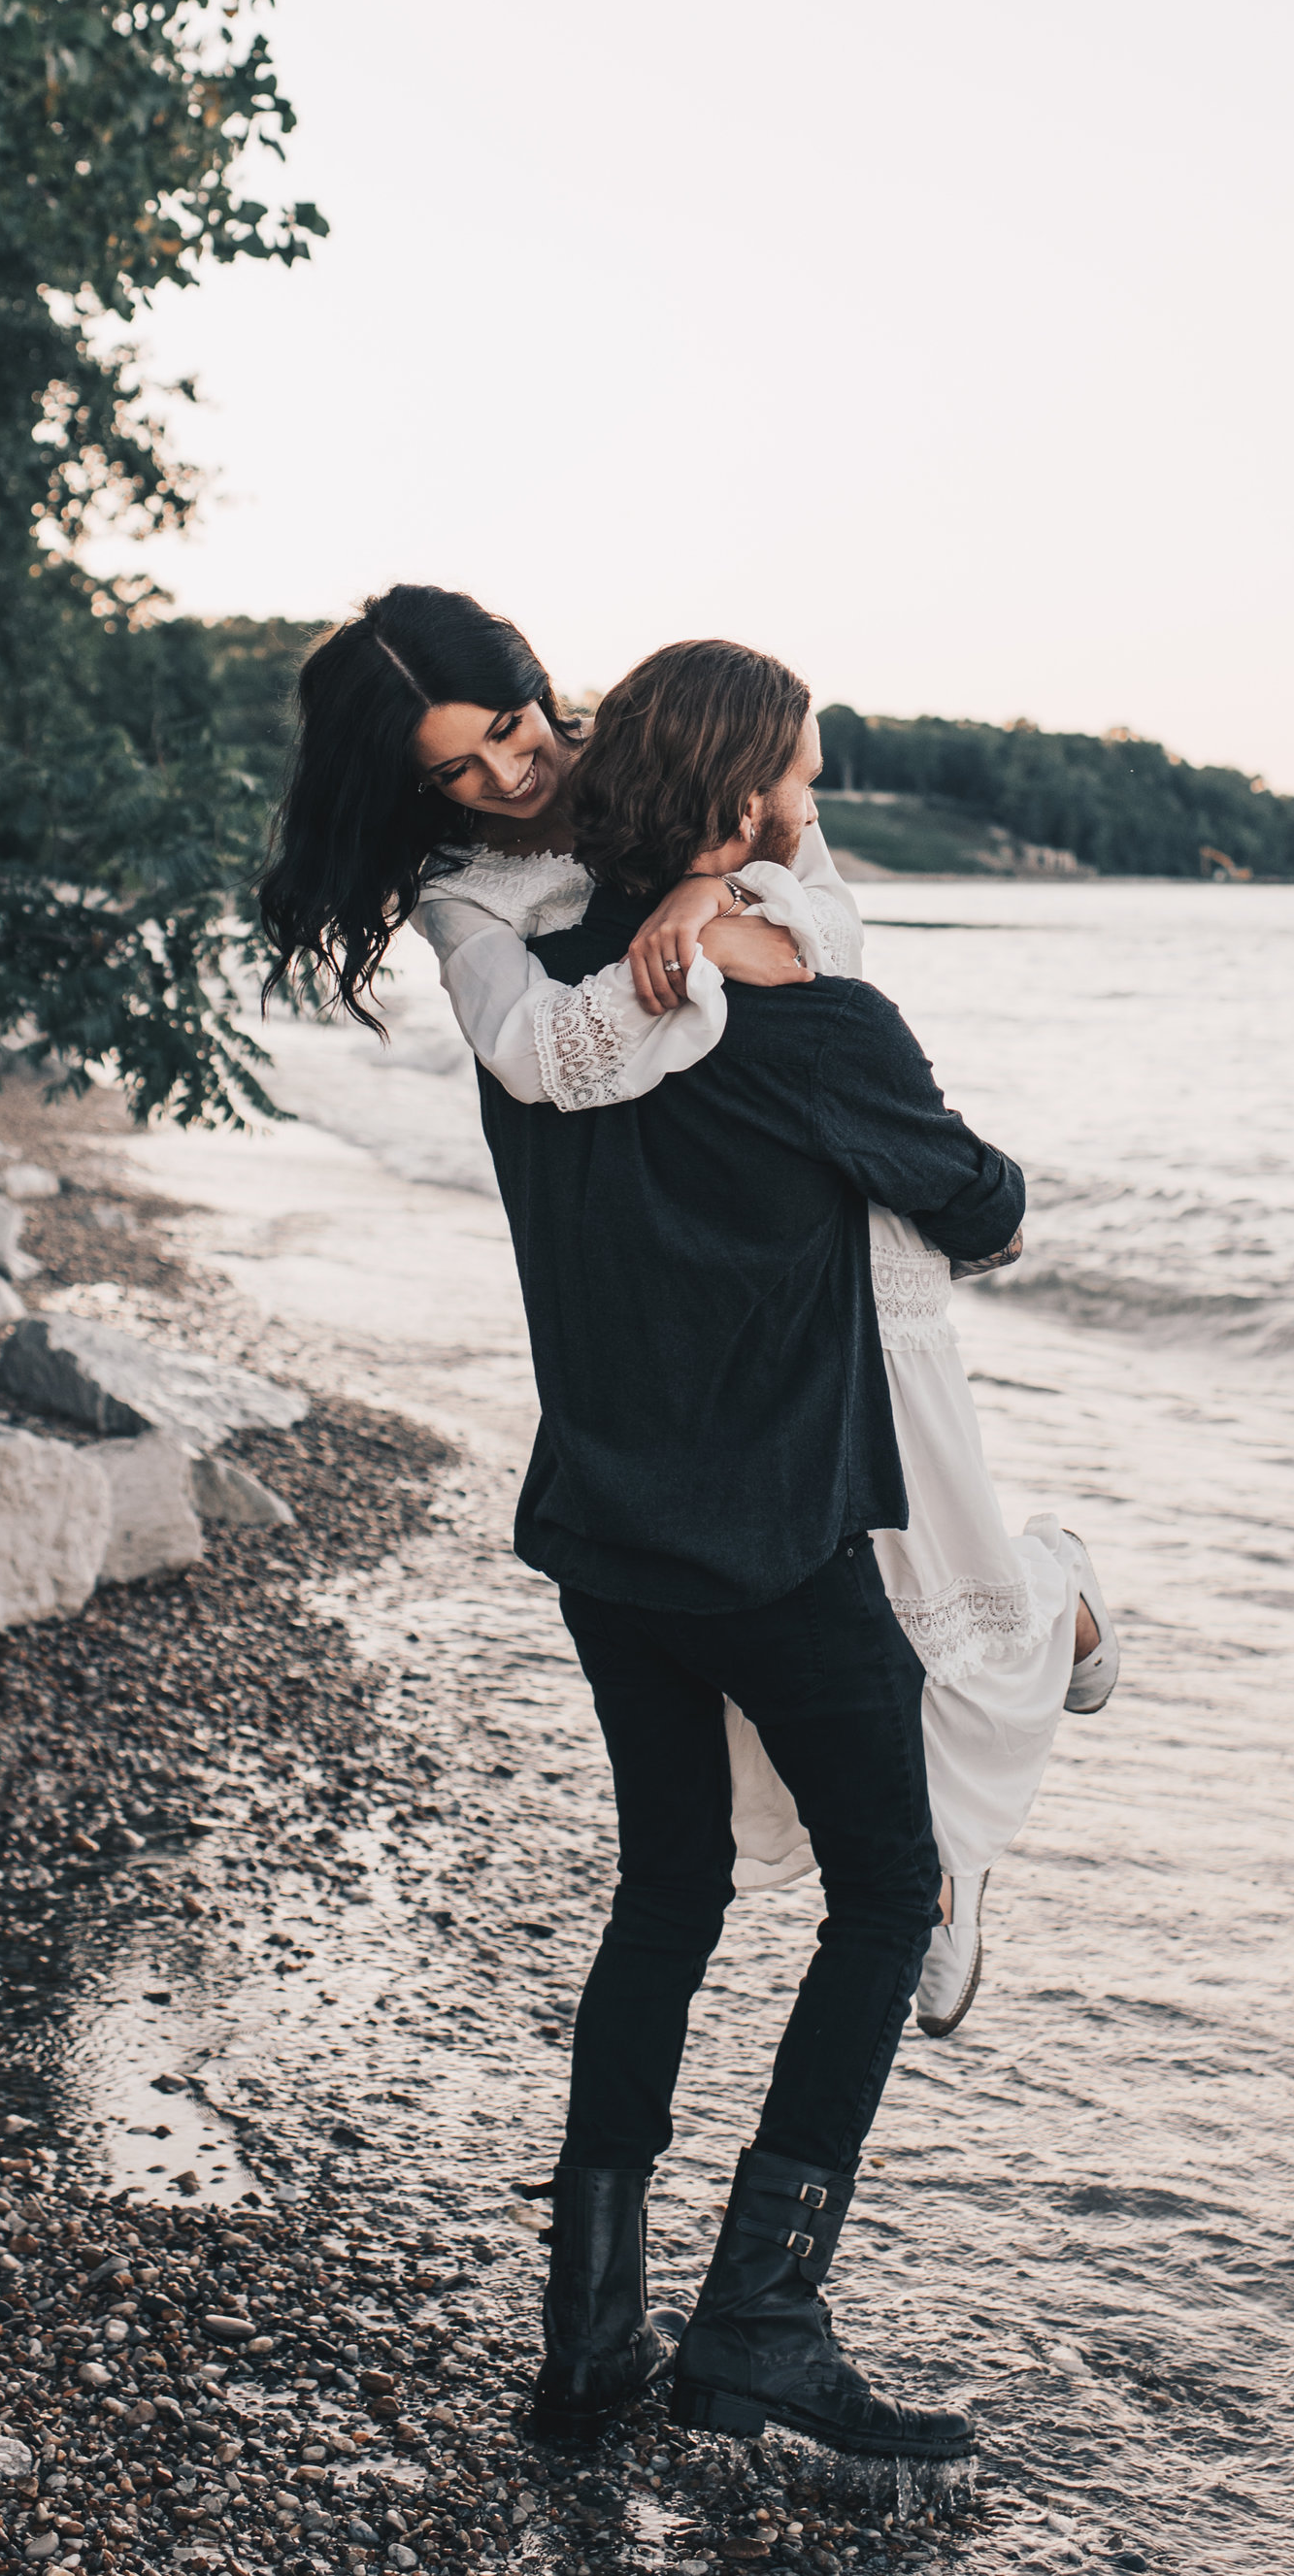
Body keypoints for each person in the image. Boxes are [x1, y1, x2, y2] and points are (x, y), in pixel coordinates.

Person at [259, 587, 1120, 2039]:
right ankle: (938, 1847)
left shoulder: (674, 754)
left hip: (814, 1232)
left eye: (518, 726)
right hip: (664, 1292)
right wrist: (684, 946)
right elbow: (538, 1051)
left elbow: (831, 933)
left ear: (542, 684)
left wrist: (706, 898)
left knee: (921, 1548)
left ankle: (952, 1839)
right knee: (820, 1621)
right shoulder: (464, 893)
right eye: (459, 768)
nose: (514, 773)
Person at [474, 634, 1036, 2460]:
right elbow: (983, 1207)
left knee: (672, 1890)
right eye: (802, 771)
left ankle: (588, 2340)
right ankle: (760, 2328)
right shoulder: (814, 1025)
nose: (820, 799)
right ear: (741, 801)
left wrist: (714, 891)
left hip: (603, 1538)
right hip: (777, 1548)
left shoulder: (543, 999)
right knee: (891, 1893)